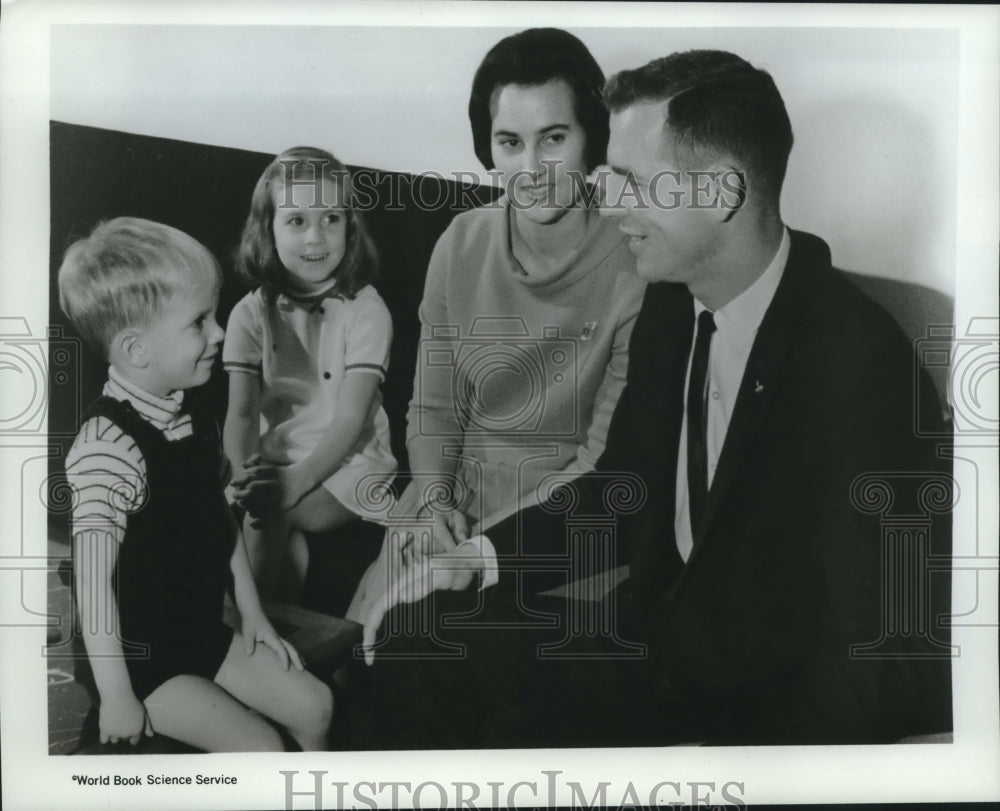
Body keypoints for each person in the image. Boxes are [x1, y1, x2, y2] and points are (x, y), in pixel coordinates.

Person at [362, 50, 952, 747]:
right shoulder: (673, 306)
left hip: (757, 705)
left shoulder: (860, 364)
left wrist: (714, 771)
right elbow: (622, 485)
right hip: (654, 649)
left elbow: (894, 652)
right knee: (417, 637)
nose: (609, 203)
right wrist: (479, 557)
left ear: (722, 193)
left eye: (634, 182)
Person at [348, 28, 647, 621]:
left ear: (593, 138)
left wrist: (484, 550)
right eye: (510, 143)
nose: (531, 167)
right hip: (448, 499)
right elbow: (434, 408)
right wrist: (434, 502)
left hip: (559, 529)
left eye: (554, 138)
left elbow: (599, 460)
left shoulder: (637, 263)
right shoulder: (460, 241)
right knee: (357, 643)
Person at [59, 218, 333, 752]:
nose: (220, 332)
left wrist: (253, 615)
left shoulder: (188, 416)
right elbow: (93, 593)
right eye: (199, 322)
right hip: (136, 660)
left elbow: (218, 523)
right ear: (137, 350)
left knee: (315, 705)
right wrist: (117, 697)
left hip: (196, 629)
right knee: (260, 749)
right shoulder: (105, 449)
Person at [224, 146, 397, 602]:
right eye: (297, 220)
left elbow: (349, 420)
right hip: (276, 460)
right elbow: (241, 415)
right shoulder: (250, 313)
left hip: (351, 467)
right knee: (253, 522)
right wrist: (245, 477)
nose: (316, 238)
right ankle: (272, 627)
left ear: (350, 225)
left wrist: (293, 484)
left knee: (271, 515)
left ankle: (247, 639)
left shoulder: (366, 311)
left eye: (331, 219)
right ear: (268, 229)